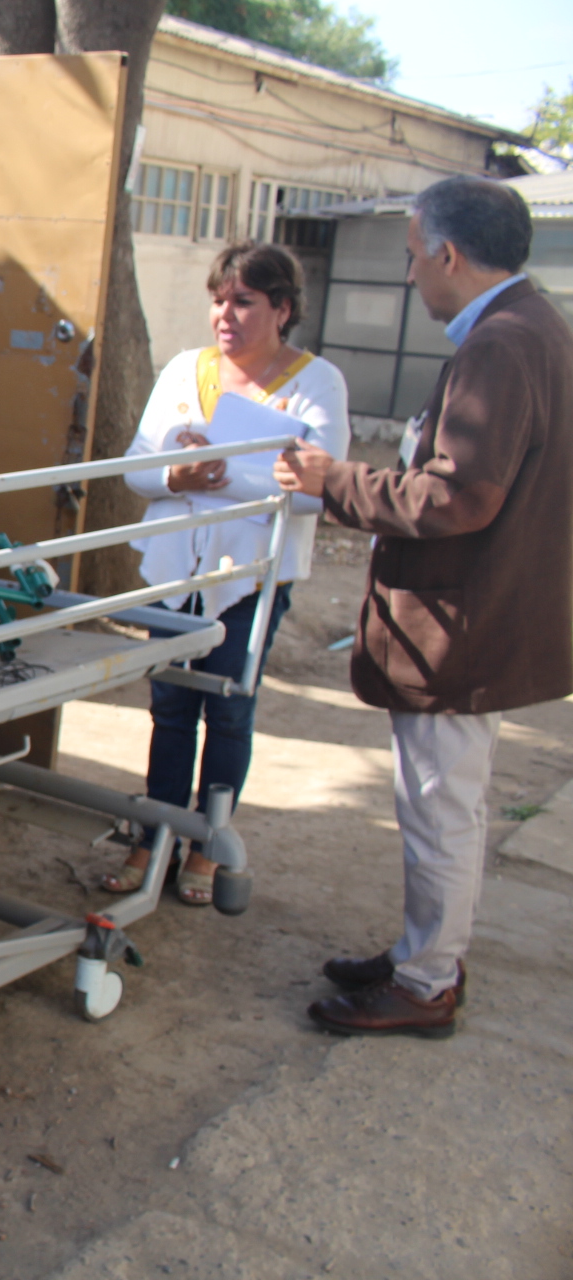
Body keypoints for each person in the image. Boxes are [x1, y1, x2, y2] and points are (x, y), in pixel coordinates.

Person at [277, 176, 572, 1039]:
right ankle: (425, 952)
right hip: (491, 607)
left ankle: (426, 981)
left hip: (464, 621)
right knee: (452, 801)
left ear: (448, 254)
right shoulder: (538, 327)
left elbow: (458, 496)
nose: (410, 275)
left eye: (412, 256)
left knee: (441, 805)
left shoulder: (501, 346)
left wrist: (339, 482)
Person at [101, 242, 349, 905]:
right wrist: (174, 475)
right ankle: (154, 834)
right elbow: (137, 465)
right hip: (179, 575)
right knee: (170, 707)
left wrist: (219, 470)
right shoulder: (186, 370)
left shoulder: (316, 381)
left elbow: (317, 485)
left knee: (229, 710)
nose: (225, 315)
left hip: (251, 579)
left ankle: (209, 842)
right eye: (218, 300)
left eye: (243, 301)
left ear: (283, 309)